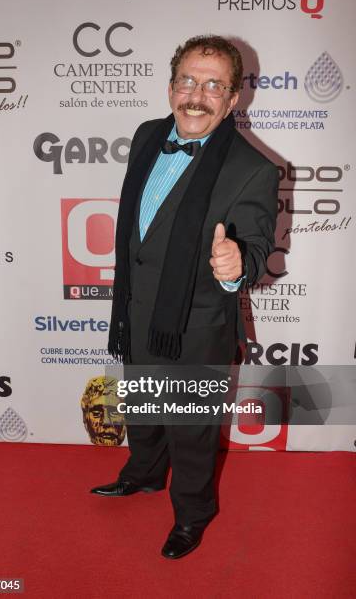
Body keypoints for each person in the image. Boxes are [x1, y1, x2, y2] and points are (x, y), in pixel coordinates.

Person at [90, 35, 279, 559]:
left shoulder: (253, 169)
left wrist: (238, 263)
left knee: (191, 428)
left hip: (195, 324)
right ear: (171, 86)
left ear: (233, 99)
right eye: (189, 81)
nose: (198, 96)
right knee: (143, 409)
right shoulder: (148, 134)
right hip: (138, 310)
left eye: (214, 85)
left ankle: (193, 514)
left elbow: (258, 245)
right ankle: (143, 475)